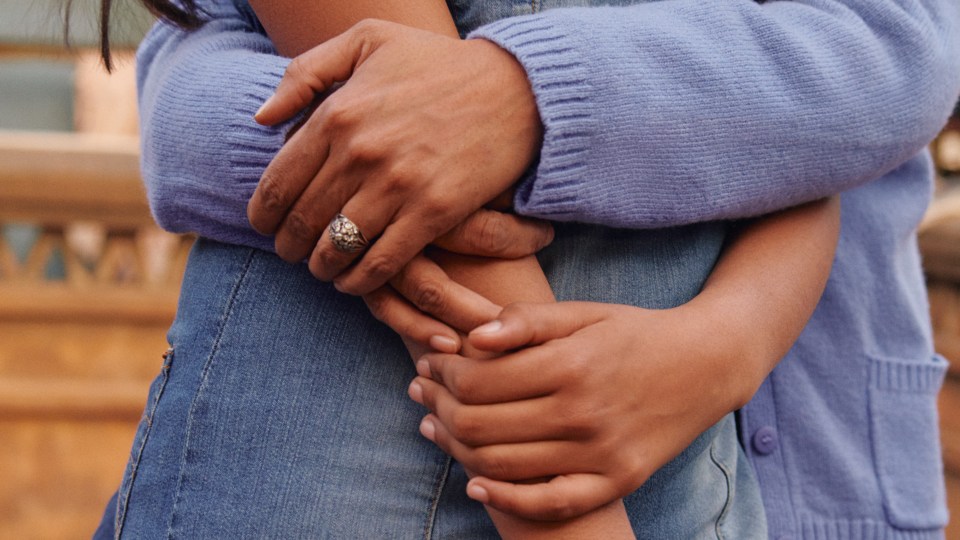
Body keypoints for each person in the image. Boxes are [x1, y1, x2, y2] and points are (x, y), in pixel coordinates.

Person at [94, 0, 960, 538]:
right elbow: (201, 87)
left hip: (811, 447)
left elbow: (879, 59)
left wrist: (732, 344)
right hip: (358, 471)